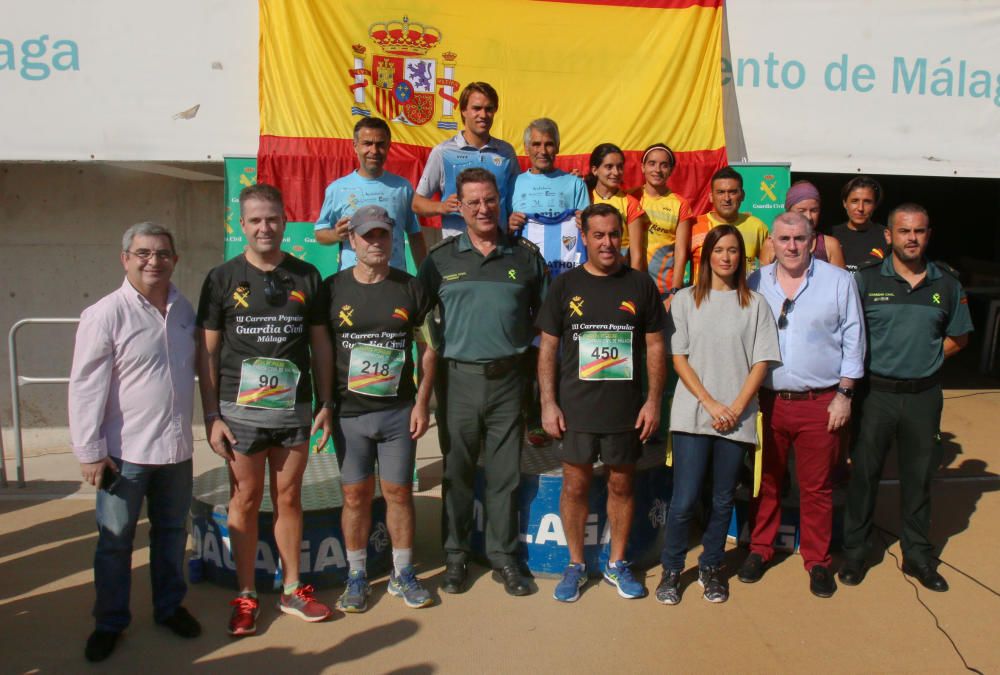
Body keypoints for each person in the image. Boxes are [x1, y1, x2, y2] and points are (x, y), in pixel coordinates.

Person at [197, 183, 335, 636]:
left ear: (283, 219)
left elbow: (320, 345)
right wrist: (212, 416)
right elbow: (208, 354)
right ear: (242, 225)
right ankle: (247, 594)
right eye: (255, 220)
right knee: (245, 499)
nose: (264, 227)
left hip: (293, 410)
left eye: (272, 219)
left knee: (289, 498)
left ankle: (293, 588)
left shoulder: (306, 276)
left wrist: (326, 401)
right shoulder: (221, 278)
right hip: (239, 416)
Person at [70, 222, 201, 662]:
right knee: (114, 541)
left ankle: (169, 608)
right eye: (143, 253)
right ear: (125, 258)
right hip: (123, 454)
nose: (153, 261)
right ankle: (109, 622)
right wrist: (89, 451)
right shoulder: (105, 314)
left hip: (176, 451)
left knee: (170, 533)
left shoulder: (185, 309)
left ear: (175, 260)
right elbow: (85, 385)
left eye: (162, 253)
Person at [418, 168, 548, 596]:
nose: (483, 209)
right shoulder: (440, 259)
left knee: (504, 475)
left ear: (500, 200)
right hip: (457, 382)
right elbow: (418, 321)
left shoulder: (525, 257)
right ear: (460, 205)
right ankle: (455, 559)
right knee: (456, 473)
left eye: (489, 200)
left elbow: (545, 322)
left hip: (510, 381)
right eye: (473, 202)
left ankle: (504, 559)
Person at [839, 203, 972, 592]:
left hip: (922, 397)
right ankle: (856, 553)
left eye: (919, 231)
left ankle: (917, 556)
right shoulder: (864, 282)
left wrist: (927, 359)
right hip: (875, 395)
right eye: (904, 231)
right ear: (889, 236)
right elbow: (848, 335)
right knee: (864, 476)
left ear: (928, 235)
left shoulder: (946, 284)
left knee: (918, 479)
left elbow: (959, 337)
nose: (911, 238)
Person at [537, 203, 665, 602]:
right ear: (586, 238)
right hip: (576, 407)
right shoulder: (565, 285)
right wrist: (548, 403)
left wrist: (653, 402)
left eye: (614, 234)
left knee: (622, 485)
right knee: (575, 485)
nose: (608, 243)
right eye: (599, 235)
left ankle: (617, 563)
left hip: (624, 409)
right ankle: (575, 565)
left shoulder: (640, 285)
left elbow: (656, 345)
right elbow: (547, 350)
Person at [739, 212, 865, 598]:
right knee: (768, 481)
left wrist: (845, 394)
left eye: (799, 238)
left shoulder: (839, 281)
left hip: (821, 402)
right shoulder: (755, 281)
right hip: (768, 401)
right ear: (771, 243)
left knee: (817, 488)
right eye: (783, 239)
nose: (791, 246)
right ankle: (760, 549)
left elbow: (854, 338)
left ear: (813, 241)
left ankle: (817, 561)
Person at [657, 225, 780, 605]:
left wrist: (737, 406)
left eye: (733, 251)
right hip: (695, 414)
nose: (726, 257)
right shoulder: (684, 300)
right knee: (684, 499)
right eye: (719, 249)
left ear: (742, 258)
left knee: (723, 499)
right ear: (706, 255)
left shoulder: (756, 304)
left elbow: (762, 360)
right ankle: (672, 569)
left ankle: (712, 567)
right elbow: (678, 358)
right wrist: (710, 403)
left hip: (738, 417)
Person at [327, 205, 436, 612]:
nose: (376, 243)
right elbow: (321, 350)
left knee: (398, 492)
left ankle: (402, 573)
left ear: (393, 240)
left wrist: (423, 402)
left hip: (397, 413)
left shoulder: (411, 287)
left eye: (383, 235)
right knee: (355, 497)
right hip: (349, 414)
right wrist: (325, 404)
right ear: (352, 240)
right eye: (368, 236)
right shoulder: (332, 288)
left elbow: (428, 349)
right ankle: (356, 574)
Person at [508, 117, 590, 449]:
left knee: (570, 353)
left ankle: (571, 415)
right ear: (526, 148)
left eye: (549, 144)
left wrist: (583, 223)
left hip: (569, 285)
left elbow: (588, 230)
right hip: (530, 288)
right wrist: (510, 224)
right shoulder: (514, 184)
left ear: (558, 146)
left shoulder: (575, 185)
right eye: (537, 144)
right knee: (532, 353)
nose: (543, 150)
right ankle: (533, 418)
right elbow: (501, 231)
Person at [314, 117, 427, 270]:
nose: (374, 151)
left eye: (380, 144)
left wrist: (425, 276)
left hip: (395, 281)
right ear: (355, 146)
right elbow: (320, 234)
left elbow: (415, 235)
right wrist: (336, 235)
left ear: (388, 146)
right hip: (353, 284)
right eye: (367, 144)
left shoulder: (402, 187)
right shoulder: (337, 189)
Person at [412, 82, 518, 239]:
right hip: (457, 252)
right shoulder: (443, 152)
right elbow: (416, 203)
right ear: (463, 111)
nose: (483, 115)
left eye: (489, 109)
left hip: (498, 249)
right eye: (476, 108)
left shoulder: (506, 152)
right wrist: (441, 207)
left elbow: (516, 202)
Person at [632, 143, 694, 306]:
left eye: (664, 165)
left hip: (664, 290)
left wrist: (675, 290)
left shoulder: (681, 204)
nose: (657, 170)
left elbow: (681, 251)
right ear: (642, 167)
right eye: (652, 163)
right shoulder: (630, 198)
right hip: (631, 286)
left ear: (671, 170)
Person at [689, 166, 770, 280]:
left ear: (742, 195)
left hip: (742, 296)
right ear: (711, 197)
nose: (727, 198)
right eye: (721, 192)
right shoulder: (694, 226)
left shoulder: (757, 227)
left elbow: (769, 269)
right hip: (701, 296)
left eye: (732, 192)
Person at [585, 143, 649, 272]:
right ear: (594, 170)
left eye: (619, 167)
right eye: (609, 167)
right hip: (587, 273)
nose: (616, 172)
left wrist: (633, 286)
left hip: (619, 276)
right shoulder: (584, 197)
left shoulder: (630, 203)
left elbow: (637, 255)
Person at [763, 180, 845, 268]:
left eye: (814, 210)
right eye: (802, 211)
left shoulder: (830, 245)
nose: (809, 217)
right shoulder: (771, 244)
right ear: (788, 211)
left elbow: (840, 279)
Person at [832, 175, 887, 272]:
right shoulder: (831, 235)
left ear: (875, 205)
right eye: (854, 201)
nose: (860, 208)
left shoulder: (886, 236)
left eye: (867, 202)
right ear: (845, 203)